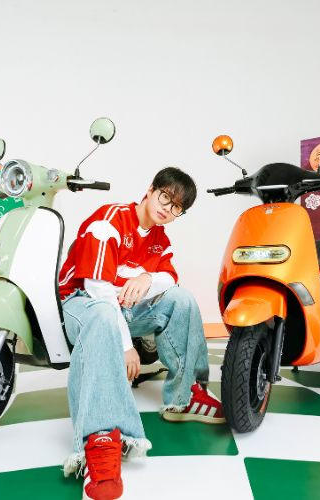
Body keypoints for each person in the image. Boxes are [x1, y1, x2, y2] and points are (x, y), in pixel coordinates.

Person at [57, 167, 224, 500]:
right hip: (82, 303)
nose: (167, 209)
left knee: (181, 299)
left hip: (123, 308)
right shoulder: (110, 220)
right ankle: (101, 436)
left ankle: (184, 397)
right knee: (104, 314)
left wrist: (148, 278)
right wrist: (125, 346)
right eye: (165, 197)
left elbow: (170, 277)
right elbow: (98, 290)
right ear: (150, 190)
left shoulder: (160, 239)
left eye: (177, 208)